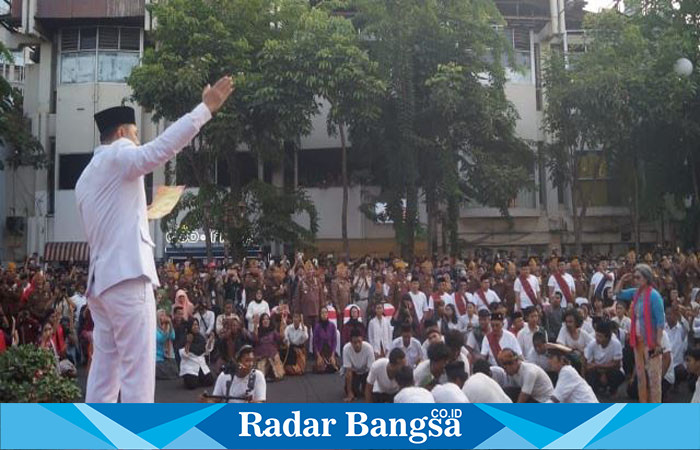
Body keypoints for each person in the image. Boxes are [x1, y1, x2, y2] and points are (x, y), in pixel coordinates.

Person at [75, 76, 233, 402]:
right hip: (128, 279)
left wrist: (139, 212)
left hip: (102, 285)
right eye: (134, 133)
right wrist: (205, 109)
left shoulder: (88, 174)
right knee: (137, 375)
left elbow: (108, 221)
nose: (136, 139)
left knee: (105, 372)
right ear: (121, 133)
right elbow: (159, 151)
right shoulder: (119, 155)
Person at [614, 264, 666, 403]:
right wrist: (622, 280)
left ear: (646, 278)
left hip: (651, 342)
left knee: (654, 378)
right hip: (637, 341)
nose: (635, 280)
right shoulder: (635, 293)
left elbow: (661, 321)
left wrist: (659, 343)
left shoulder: (654, 296)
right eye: (635, 277)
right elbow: (617, 293)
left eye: (638, 277)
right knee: (641, 377)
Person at [584, 320, 625, 396]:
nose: (597, 338)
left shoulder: (616, 344)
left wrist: (599, 367)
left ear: (607, 337)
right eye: (596, 335)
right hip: (597, 371)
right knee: (590, 374)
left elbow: (617, 364)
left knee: (617, 375)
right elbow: (588, 363)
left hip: (611, 370)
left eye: (600, 336)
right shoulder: (592, 344)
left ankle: (613, 390)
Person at [179, 320, 214, 390]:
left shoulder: (201, 337)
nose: (196, 327)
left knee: (210, 381)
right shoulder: (185, 337)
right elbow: (184, 355)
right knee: (192, 385)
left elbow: (206, 351)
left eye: (197, 325)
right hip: (190, 365)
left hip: (200, 364)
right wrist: (188, 343)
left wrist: (210, 341)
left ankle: (198, 379)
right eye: (194, 325)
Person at [342, 329, 375, 402]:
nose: (357, 344)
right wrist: (349, 392)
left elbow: (371, 371)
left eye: (359, 342)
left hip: (366, 372)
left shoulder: (369, 348)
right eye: (354, 342)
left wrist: (369, 390)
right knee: (351, 391)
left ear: (362, 340)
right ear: (350, 342)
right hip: (354, 372)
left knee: (367, 392)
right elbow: (348, 372)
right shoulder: (346, 349)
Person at [254, 313, 284, 381]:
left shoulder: (273, 331)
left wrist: (283, 327)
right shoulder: (258, 331)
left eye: (267, 319)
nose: (266, 321)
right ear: (261, 321)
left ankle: (272, 374)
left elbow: (280, 338)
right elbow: (255, 340)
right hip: (261, 356)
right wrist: (255, 325)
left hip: (272, 356)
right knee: (260, 376)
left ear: (269, 321)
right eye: (264, 319)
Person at [313, 307, 338, 373]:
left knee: (333, 366)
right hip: (321, 351)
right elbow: (315, 342)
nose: (324, 314)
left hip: (330, 351)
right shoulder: (317, 326)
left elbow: (334, 341)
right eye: (322, 313)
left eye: (325, 312)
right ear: (320, 314)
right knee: (320, 368)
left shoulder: (332, 326)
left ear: (328, 314)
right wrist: (318, 356)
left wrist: (333, 355)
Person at [283, 312, 308, 376]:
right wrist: (287, 343)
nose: (295, 319)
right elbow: (285, 337)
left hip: (300, 349)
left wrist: (302, 329)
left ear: (300, 319)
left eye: (297, 317)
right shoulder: (288, 328)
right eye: (294, 317)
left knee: (300, 370)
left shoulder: (304, 327)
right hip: (291, 349)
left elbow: (305, 338)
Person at [155, 309, 177, 380]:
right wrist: (166, 332)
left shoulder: (167, 326)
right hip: (157, 358)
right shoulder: (154, 329)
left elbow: (173, 337)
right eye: (161, 315)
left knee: (175, 371)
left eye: (164, 315)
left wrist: (170, 325)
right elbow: (161, 339)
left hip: (166, 357)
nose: (164, 317)